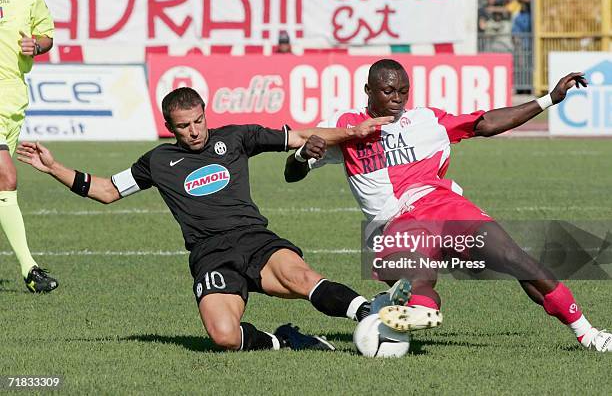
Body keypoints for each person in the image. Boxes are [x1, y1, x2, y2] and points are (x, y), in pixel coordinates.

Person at [17, 87, 404, 352]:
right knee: (223, 336)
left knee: (303, 278)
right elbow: (106, 190)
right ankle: (283, 340)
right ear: (170, 127)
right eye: (184, 126)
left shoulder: (236, 137)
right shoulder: (158, 162)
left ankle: (374, 312)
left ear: (205, 114)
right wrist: (52, 167)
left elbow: (300, 135)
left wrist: (352, 131)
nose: (194, 130)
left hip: (254, 238)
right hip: (209, 254)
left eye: (198, 120)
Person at [284, 58, 612, 352]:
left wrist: (549, 99)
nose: (397, 98)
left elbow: (486, 123)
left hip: (445, 207)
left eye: (403, 91)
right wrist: (301, 155)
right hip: (399, 225)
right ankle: (411, 308)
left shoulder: (427, 120)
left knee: (515, 259)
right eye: (388, 91)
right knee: (420, 284)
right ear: (368, 90)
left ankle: (588, 334)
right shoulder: (346, 125)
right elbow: (292, 174)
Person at [0, 0, 58, 292]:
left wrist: (35, 45)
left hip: (13, 100)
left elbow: (47, 36)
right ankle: (30, 269)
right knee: (6, 176)